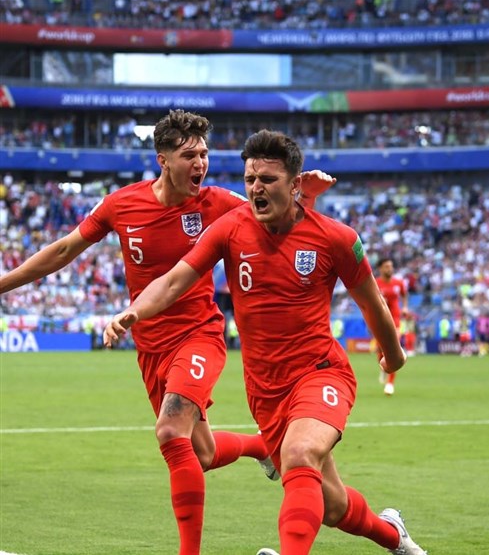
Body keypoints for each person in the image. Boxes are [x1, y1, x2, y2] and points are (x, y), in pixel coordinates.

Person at [0, 110, 334, 555]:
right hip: (150, 346)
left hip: (199, 335)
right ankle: (263, 447)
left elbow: (281, 222)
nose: (201, 164)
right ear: (163, 160)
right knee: (202, 454)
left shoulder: (220, 203)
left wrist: (304, 196)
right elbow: (63, 250)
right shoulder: (122, 205)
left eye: (204, 154)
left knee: (171, 431)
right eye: (189, 155)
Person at [103, 129, 427, 555]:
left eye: (268, 179)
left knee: (299, 452)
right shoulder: (229, 229)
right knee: (331, 505)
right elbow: (174, 280)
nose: (256, 188)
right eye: (250, 179)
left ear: (295, 186)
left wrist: (394, 355)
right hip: (265, 391)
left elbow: (372, 303)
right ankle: (394, 536)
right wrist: (135, 311)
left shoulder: (337, 238)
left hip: (320, 372)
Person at [374, 257, 409, 395]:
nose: (390, 269)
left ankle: (390, 384)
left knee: (394, 350)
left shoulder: (398, 283)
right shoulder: (375, 283)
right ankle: (384, 367)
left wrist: (405, 307)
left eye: (391, 266)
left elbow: (404, 295)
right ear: (380, 268)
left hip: (395, 320)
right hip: (380, 320)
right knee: (380, 350)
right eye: (387, 266)